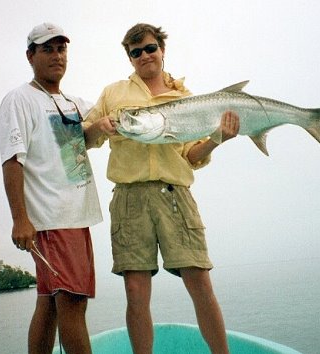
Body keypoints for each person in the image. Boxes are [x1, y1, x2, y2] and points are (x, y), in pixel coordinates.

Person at [84, 23, 239, 354]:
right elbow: (83, 139)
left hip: (175, 195)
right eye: (135, 52)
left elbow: (193, 155)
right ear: (129, 58)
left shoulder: (185, 98)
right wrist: (98, 125)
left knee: (200, 282)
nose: (144, 56)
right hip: (129, 198)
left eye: (150, 48)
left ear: (162, 50)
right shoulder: (113, 94)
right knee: (136, 291)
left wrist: (218, 138)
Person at [0, 23, 102, 354]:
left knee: (49, 302)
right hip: (53, 219)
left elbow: (108, 115)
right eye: (47, 49)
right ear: (30, 56)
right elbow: (13, 160)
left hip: (76, 216)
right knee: (72, 302)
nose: (57, 56)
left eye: (61, 49)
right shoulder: (19, 99)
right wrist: (20, 219)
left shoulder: (73, 102)